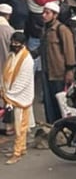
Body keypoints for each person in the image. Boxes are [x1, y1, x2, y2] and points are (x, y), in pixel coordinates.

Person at [1, 31, 34, 164]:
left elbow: (22, 81)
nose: (14, 46)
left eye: (17, 44)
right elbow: (6, 74)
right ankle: (22, 148)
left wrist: (8, 95)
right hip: (11, 95)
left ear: (23, 44)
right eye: (13, 43)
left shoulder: (27, 60)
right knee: (17, 125)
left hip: (20, 97)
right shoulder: (11, 55)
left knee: (20, 127)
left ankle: (17, 153)